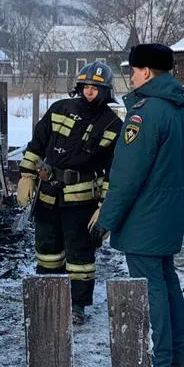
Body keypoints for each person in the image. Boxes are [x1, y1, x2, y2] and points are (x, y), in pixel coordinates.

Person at [96, 43, 184, 367]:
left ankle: (161, 366)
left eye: (134, 70)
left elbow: (127, 174)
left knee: (152, 286)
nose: (131, 76)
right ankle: (178, 360)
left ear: (148, 72)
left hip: (144, 216)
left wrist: (106, 220)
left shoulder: (145, 114)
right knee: (168, 282)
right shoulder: (181, 112)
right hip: (168, 212)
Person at [16, 61, 122, 324]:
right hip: (47, 194)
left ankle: (77, 305)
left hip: (82, 200)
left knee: (80, 256)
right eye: (86, 86)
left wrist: (104, 206)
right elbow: (37, 143)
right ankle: (47, 297)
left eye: (95, 88)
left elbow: (113, 170)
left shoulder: (112, 124)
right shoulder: (59, 108)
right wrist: (27, 175)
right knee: (47, 251)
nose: (89, 92)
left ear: (105, 91)